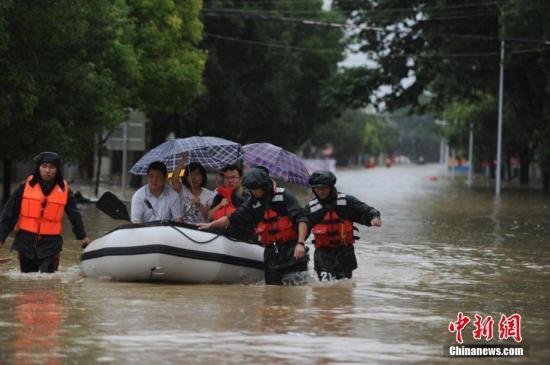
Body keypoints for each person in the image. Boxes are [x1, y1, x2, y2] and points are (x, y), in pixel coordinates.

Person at [198, 168, 309, 285]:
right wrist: (210, 224)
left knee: (296, 293)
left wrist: (300, 243)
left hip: (292, 252)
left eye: (255, 190)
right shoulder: (253, 202)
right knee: (272, 293)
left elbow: (301, 219)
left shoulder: (284, 195)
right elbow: (231, 218)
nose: (252, 192)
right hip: (271, 254)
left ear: (263, 186)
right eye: (250, 190)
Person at [0, 152, 90, 273]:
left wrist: (82, 236)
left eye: (52, 167)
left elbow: (74, 215)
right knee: (27, 281)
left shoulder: (65, 191)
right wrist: (1, 237)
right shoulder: (24, 187)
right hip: (26, 242)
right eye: (44, 166)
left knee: (48, 281)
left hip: (51, 244)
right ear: (39, 167)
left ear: (57, 170)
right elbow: (9, 214)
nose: (47, 170)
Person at [304, 171, 381, 281]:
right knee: (325, 287)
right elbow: (302, 229)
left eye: (324, 188)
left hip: (345, 253)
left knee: (345, 286)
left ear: (331, 187)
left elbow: (366, 210)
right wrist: (299, 244)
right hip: (323, 254)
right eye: (317, 188)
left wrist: (374, 217)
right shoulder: (311, 208)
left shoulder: (346, 202)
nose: (320, 191)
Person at [171, 153, 215, 224]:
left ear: (202, 176)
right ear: (186, 177)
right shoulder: (182, 189)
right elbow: (174, 180)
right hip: (183, 228)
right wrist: (183, 161)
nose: (193, 177)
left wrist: (199, 205)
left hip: (201, 229)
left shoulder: (209, 195)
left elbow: (209, 216)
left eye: (197, 174)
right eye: (189, 174)